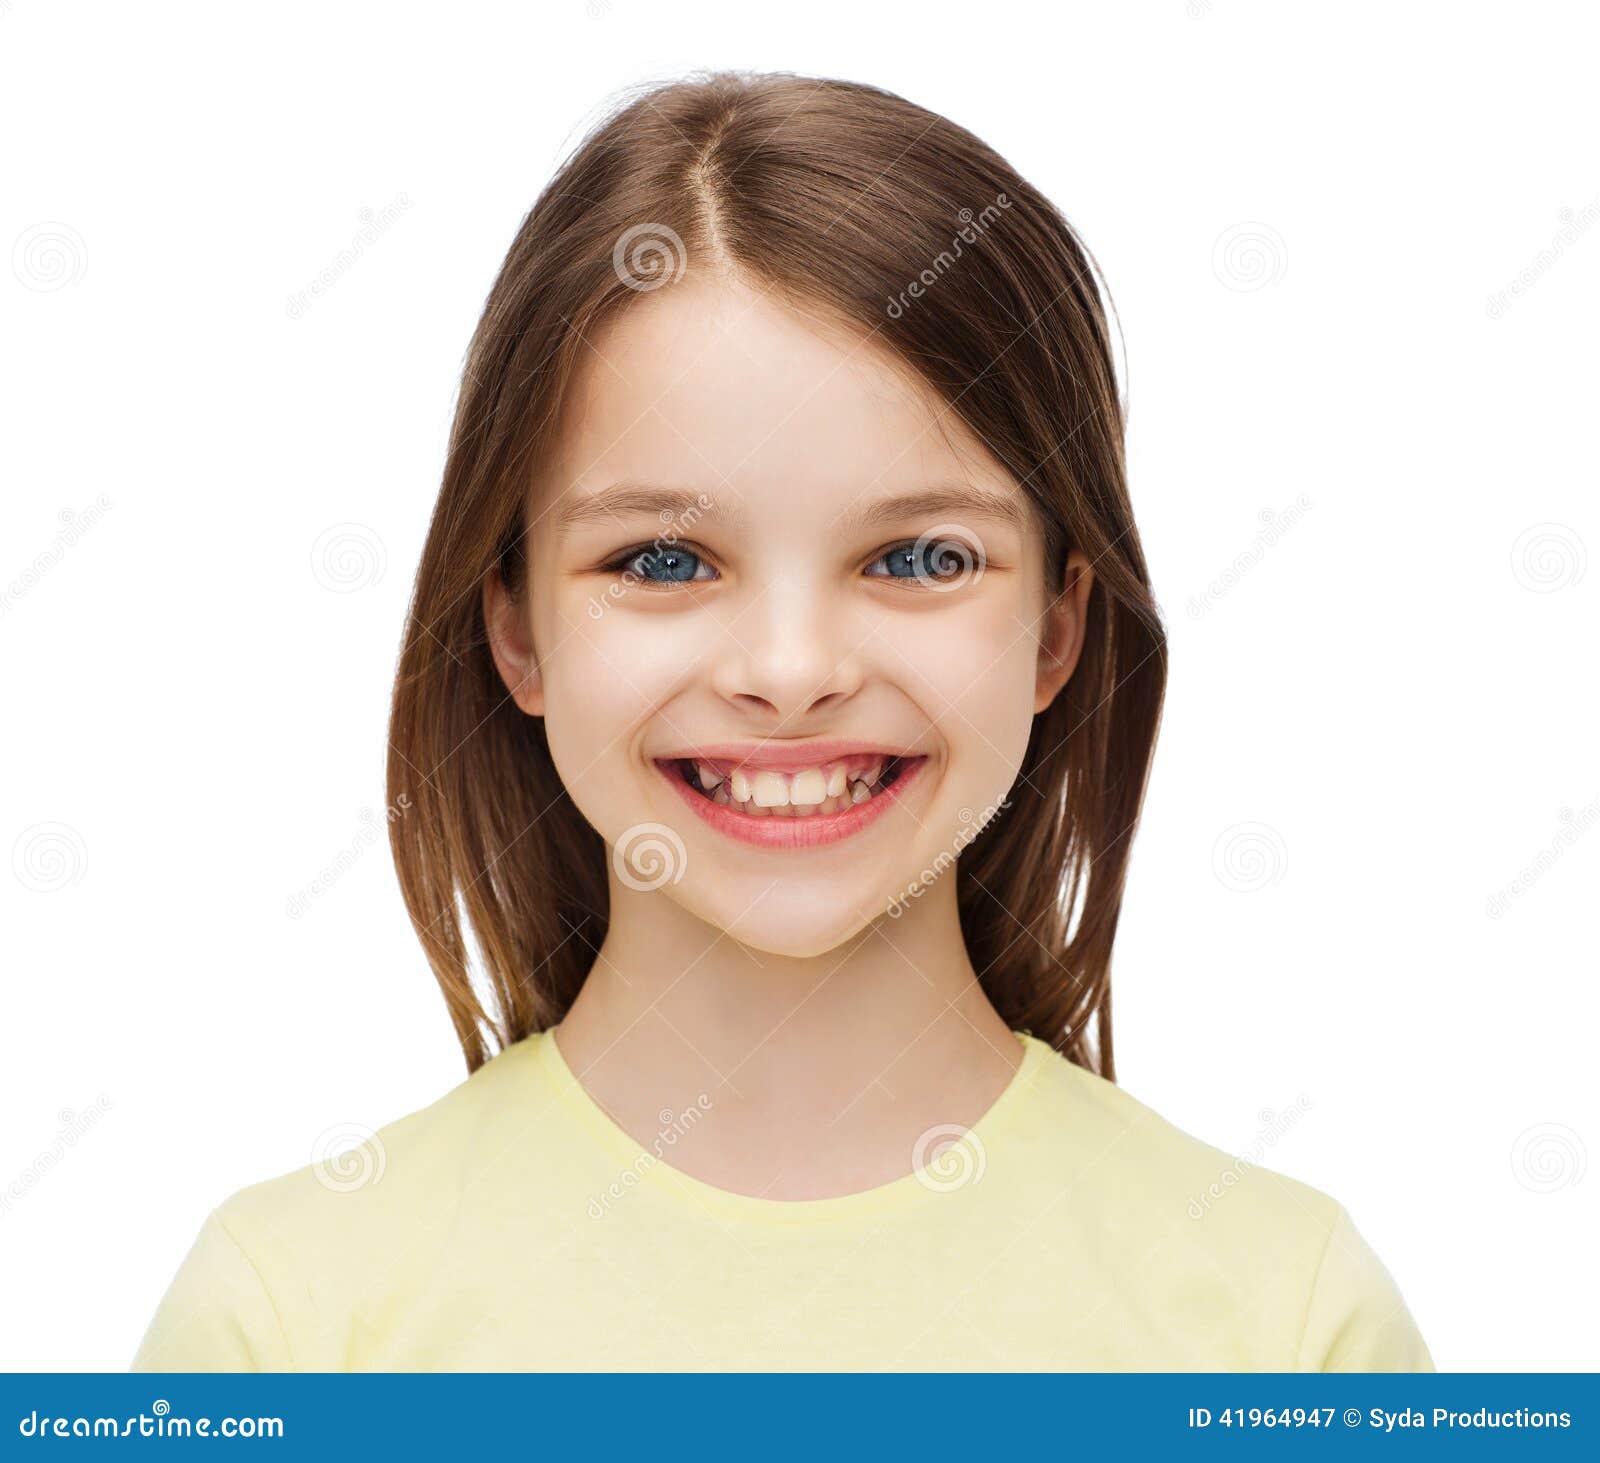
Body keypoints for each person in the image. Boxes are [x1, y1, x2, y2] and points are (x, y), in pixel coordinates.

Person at [132, 69, 1432, 1372]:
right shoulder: (285, 1325)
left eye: (920, 559)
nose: (791, 671)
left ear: (1058, 626)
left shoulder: (1288, 1323)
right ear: (515, 628)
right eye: (660, 561)